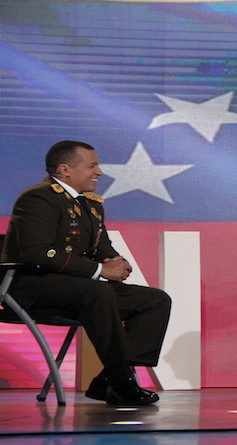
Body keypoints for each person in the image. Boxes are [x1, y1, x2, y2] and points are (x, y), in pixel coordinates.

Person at [1, 140, 171, 406]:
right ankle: (122, 382)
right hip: (31, 288)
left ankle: (108, 381)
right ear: (65, 170)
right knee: (98, 290)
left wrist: (117, 261)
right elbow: (36, 253)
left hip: (77, 290)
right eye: (92, 166)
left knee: (154, 300)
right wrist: (101, 270)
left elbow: (102, 247)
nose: (99, 172)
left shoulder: (91, 205)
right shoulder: (38, 198)